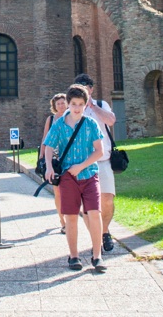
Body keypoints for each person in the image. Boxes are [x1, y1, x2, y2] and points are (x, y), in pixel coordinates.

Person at [42, 84, 106, 272]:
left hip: (89, 175)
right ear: (68, 104)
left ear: (86, 105)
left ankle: (97, 255)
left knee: (95, 213)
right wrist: (48, 166)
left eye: (81, 104)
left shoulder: (90, 124)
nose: (77, 108)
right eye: (74, 104)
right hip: (68, 178)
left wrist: (81, 166)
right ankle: (74, 255)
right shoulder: (59, 125)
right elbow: (48, 146)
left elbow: (99, 151)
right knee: (70, 217)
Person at [75, 72, 118, 254]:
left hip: (103, 160)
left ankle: (104, 231)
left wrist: (92, 105)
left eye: (87, 87)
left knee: (107, 199)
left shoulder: (101, 104)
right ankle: (96, 237)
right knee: (87, 205)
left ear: (91, 89)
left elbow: (111, 121)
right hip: (83, 164)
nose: (85, 90)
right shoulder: (74, 109)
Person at [42, 93, 68, 232]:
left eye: (63, 103)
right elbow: (45, 140)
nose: (61, 105)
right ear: (54, 106)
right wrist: (42, 158)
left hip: (69, 159)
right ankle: (63, 221)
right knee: (57, 191)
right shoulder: (51, 119)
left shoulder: (72, 118)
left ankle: (70, 218)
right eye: (58, 104)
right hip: (54, 160)